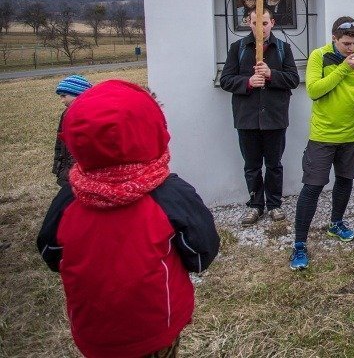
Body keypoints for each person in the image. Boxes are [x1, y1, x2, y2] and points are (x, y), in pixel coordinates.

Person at [37, 80, 219, 358]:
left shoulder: (69, 197)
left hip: (94, 333)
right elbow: (200, 254)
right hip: (157, 327)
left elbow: (50, 252)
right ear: (154, 131)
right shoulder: (169, 194)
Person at [290, 17, 354, 270]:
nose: (351, 48)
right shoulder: (319, 56)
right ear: (334, 39)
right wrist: (344, 69)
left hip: (352, 133)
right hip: (323, 134)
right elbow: (314, 90)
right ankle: (299, 244)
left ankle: (336, 223)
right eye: (346, 43)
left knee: (345, 181)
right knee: (312, 188)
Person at [219, 7, 300, 226]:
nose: (260, 27)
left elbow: (293, 79)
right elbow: (226, 80)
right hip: (247, 118)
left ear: (272, 23)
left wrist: (271, 74)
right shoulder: (238, 48)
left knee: (274, 164)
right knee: (252, 165)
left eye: (264, 23)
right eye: (255, 22)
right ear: (249, 23)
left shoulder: (282, 48)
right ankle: (255, 205)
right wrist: (247, 82)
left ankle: (274, 204)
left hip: (274, 117)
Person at [52, 74, 92, 185]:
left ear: (78, 94)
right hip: (68, 172)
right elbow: (60, 144)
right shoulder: (66, 114)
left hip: (81, 174)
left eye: (64, 96)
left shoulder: (87, 115)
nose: (62, 100)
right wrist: (59, 168)